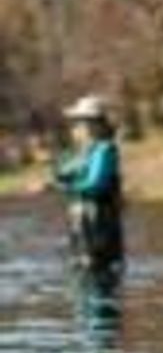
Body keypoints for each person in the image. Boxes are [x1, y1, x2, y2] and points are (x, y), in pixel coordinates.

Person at [54, 95, 124, 289]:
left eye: (79, 123)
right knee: (81, 267)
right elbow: (62, 171)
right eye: (75, 123)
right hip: (83, 221)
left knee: (98, 267)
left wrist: (67, 187)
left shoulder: (105, 150)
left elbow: (96, 184)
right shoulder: (83, 152)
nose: (75, 128)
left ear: (94, 125)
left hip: (99, 221)